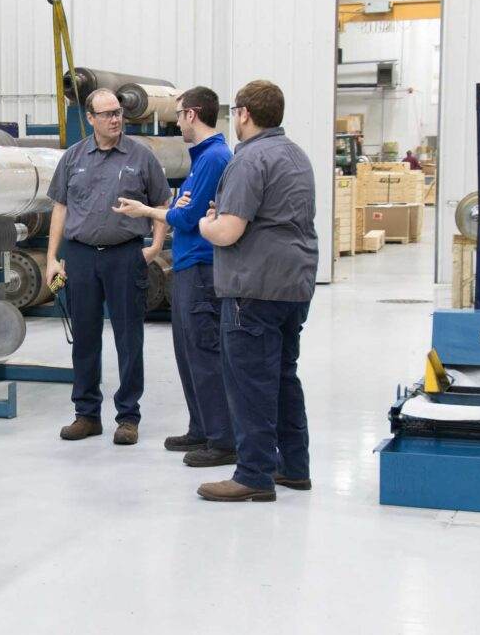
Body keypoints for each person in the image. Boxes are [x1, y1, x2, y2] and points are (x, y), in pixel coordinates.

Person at [195, 80, 318, 502]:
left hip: (255, 288)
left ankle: (253, 474)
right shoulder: (295, 155)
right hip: (294, 284)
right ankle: (294, 466)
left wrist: (203, 223)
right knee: (283, 376)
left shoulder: (249, 160)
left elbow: (228, 232)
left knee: (250, 382)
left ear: (245, 113)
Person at [113, 87, 236, 466]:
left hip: (201, 266)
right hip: (187, 265)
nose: (176, 120)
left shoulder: (214, 157)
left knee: (203, 353)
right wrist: (175, 208)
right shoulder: (202, 158)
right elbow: (184, 208)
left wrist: (147, 211)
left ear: (193, 115)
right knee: (187, 354)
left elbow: (186, 217)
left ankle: (222, 439)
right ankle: (201, 427)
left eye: (179, 113)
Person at [46, 88, 171, 446]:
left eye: (118, 113)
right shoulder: (73, 158)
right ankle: (86, 414)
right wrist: (53, 257)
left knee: (128, 337)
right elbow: (60, 207)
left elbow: (163, 200)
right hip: (82, 256)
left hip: (125, 255)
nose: (115, 119)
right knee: (84, 337)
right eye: (107, 114)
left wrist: (157, 246)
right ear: (91, 119)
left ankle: (128, 417)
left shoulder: (140, 156)